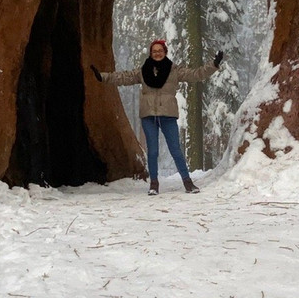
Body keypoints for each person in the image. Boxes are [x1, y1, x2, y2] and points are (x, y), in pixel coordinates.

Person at [90, 39, 224, 195]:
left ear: (165, 52)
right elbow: (123, 77)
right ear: (150, 53)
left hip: (168, 116)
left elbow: (195, 75)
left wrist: (213, 65)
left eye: (160, 50)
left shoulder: (174, 70)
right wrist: (103, 76)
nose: (157, 53)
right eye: (154, 51)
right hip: (149, 117)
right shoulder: (143, 71)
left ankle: (188, 183)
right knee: (152, 151)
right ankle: (154, 185)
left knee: (176, 150)